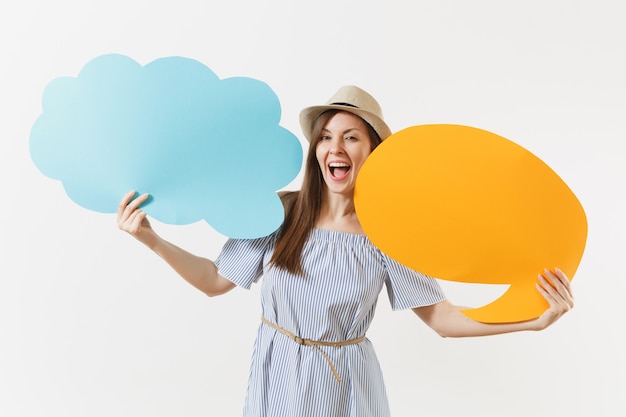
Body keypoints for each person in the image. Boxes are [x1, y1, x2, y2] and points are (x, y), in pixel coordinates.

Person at [117, 85, 574, 417]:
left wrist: (529, 322)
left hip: (346, 389)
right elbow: (215, 280)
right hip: (276, 377)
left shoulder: (388, 234)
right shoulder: (281, 212)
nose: (335, 147)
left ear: (373, 150)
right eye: (326, 136)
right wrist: (151, 238)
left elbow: (442, 320)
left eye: (351, 137)